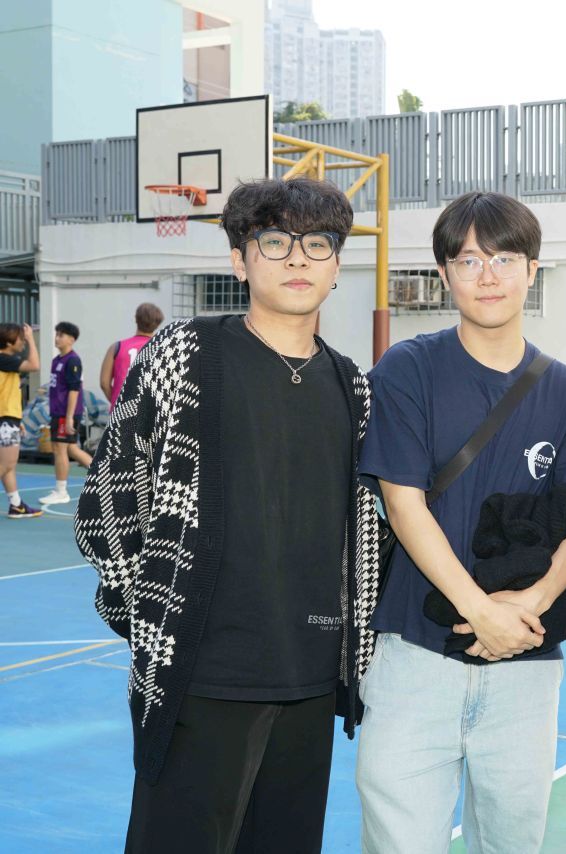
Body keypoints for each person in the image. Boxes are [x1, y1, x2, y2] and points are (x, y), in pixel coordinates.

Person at [74, 177, 382, 853]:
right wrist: (155, 618)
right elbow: (107, 503)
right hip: (199, 674)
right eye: (274, 241)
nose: (297, 257)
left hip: (310, 677)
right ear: (240, 260)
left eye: (318, 243)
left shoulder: (353, 386)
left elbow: (365, 534)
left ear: (336, 265)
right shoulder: (183, 355)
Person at [355, 191, 566, 854]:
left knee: (511, 842)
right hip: (414, 656)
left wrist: (531, 604)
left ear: (532, 269)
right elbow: (403, 504)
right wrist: (482, 613)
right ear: (444, 274)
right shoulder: (407, 370)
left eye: (504, 259)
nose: (488, 275)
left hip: (527, 658)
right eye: (469, 260)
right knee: (401, 842)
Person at [37, 321, 94, 505]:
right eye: (57, 334)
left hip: (66, 414)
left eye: (61, 335)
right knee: (70, 448)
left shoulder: (73, 361)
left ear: (71, 339)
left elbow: (74, 390)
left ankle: (61, 492)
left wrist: (69, 417)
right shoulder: (57, 361)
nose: (57, 338)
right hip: (57, 412)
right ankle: (102, 475)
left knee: (60, 449)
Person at [0, 322, 42, 519]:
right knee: (6, 465)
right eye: (21, 338)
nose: (23, 342)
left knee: (8, 466)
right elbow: (34, 365)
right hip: (5, 420)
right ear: (9, 342)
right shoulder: (5, 359)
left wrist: (18, 420)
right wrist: (32, 340)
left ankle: (16, 505)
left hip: (8, 418)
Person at [100, 302, 164, 410]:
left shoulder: (116, 347)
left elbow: (104, 383)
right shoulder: (163, 349)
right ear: (158, 324)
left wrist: (116, 402)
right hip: (150, 411)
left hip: (121, 410)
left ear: (135, 319)